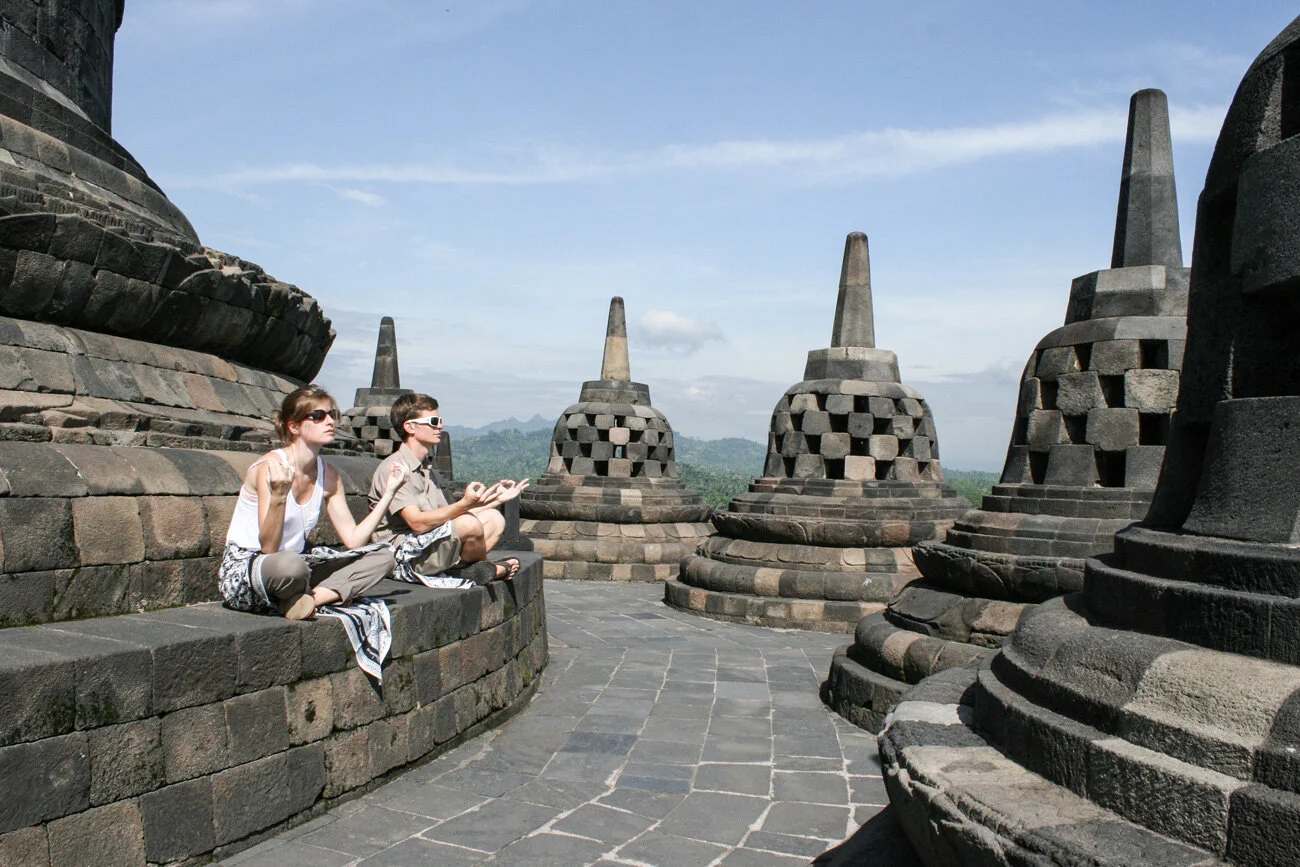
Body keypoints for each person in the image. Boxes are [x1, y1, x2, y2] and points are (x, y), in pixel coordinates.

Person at [219, 385, 407, 620]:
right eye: (318, 416)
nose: (329, 421)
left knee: (385, 556)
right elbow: (269, 548)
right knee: (291, 566)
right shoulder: (270, 467)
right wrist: (278, 496)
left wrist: (389, 493)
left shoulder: (328, 475)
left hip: (299, 566)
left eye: (332, 415)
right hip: (254, 569)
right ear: (294, 426)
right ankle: (312, 594)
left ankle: (310, 599)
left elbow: (354, 540)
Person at [370, 393, 529, 585]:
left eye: (440, 420)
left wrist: (497, 501)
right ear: (410, 427)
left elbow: (449, 516)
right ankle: (481, 568)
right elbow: (417, 523)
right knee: (469, 524)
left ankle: (468, 570)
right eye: (433, 421)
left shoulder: (427, 471)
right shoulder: (395, 468)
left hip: (426, 544)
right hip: (402, 557)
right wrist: (465, 504)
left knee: (494, 519)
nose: (440, 426)